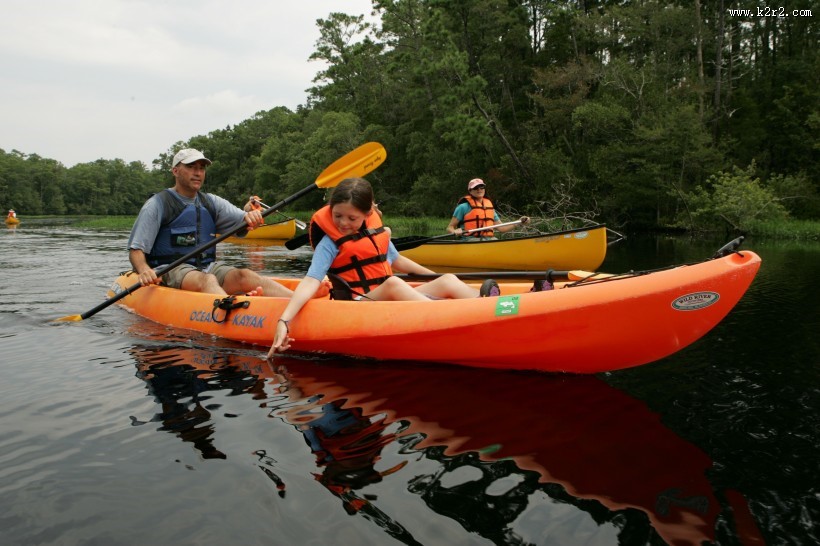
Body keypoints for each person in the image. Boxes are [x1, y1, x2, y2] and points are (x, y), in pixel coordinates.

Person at [267, 177, 497, 359]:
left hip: (385, 294)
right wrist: (284, 320)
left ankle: (486, 306)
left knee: (446, 279)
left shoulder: (374, 232)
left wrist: (434, 277)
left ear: (368, 214)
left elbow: (398, 262)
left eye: (351, 218)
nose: (343, 223)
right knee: (394, 283)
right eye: (337, 216)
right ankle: (455, 320)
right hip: (357, 304)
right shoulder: (329, 243)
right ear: (330, 210)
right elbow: (311, 280)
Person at [127, 148, 292, 297]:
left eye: (201, 168)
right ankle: (232, 311)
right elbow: (136, 249)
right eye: (191, 167)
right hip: (170, 269)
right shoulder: (157, 204)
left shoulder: (211, 202)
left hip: (207, 267)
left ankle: (297, 301)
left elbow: (244, 218)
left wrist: (251, 217)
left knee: (245, 275)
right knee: (207, 281)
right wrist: (144, 270)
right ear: (175, 171)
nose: (198, 173)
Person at [446, 178, 529, 239]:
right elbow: (450, 227)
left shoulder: (489, 208)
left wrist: (519, 222)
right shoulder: (463, 207)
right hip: (469, 240)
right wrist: (455, 231)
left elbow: (502, 228)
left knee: (495, 240)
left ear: (484, 189)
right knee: (476, 242)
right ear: (470, 191)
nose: (479, 190)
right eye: (475, 188)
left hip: (488, 239)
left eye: (481, 187)